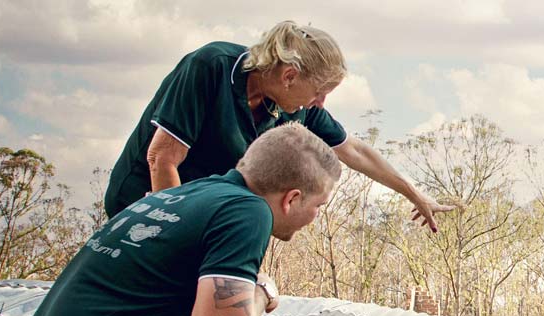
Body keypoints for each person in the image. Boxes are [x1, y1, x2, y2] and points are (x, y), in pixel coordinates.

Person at [103, 20, 453, 231]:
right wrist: (176, 235)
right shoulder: (209, 67)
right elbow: (161, 159)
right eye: (319, 92)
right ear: (289, 75)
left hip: (201, 211)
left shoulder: (292, 106)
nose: (320, 103)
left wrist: (414, 193)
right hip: (145, 202)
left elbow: (355, 151)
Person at [24, 123, 335, 316]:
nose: (316, 216)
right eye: (318, 205)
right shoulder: (248, 211)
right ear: (291, 199)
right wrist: (262, 292)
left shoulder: (193, 193)